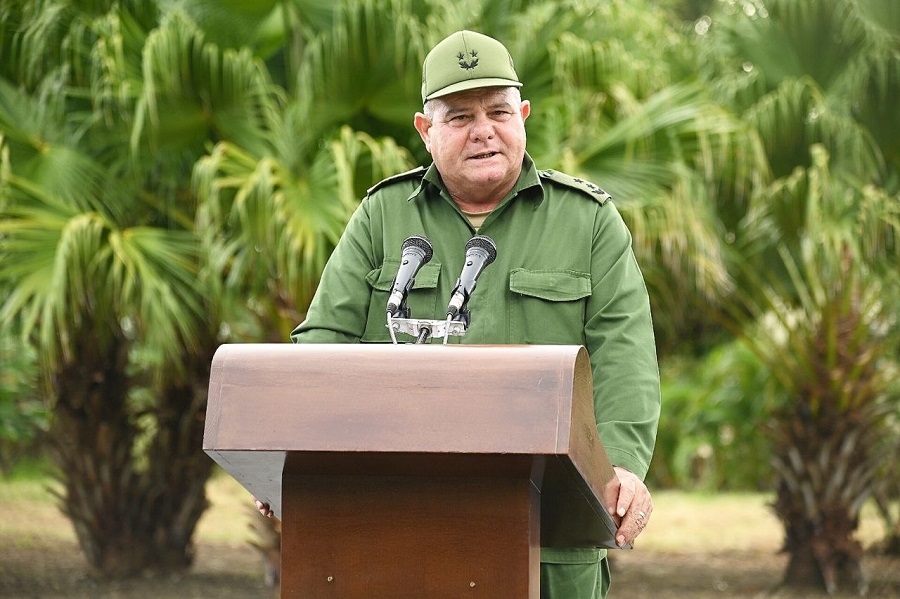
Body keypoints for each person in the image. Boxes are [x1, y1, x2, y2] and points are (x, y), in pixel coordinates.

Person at [256, 29, 660, 599]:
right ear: (426, 130)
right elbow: (324, 343)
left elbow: (625, 354)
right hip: (398, 524)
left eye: (498, 112)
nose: (483, 130)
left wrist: (621, 467)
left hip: (549, 531)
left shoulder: (587, 221)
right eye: (460, 117)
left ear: (523, 116)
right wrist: (289, 449)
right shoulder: (381, 217)